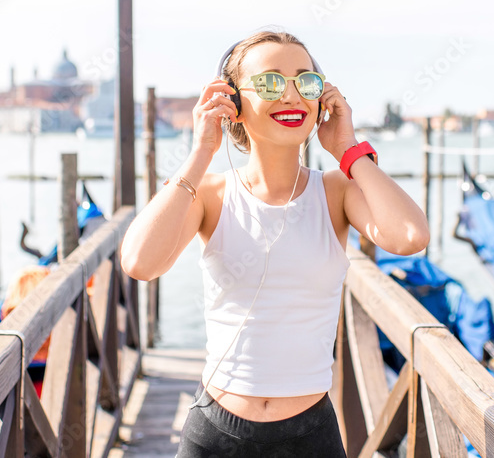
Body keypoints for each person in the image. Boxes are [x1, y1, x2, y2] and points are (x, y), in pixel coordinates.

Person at [121, 29, 430, 456]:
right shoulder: (210, 194)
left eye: (306, 82)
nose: (290, 95)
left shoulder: (337, 191)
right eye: (269, 82)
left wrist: (348, 147)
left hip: (311, 435)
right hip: (215, 433)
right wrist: (201, 151)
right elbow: (139, 262)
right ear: (233, 103)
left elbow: (411, 236)